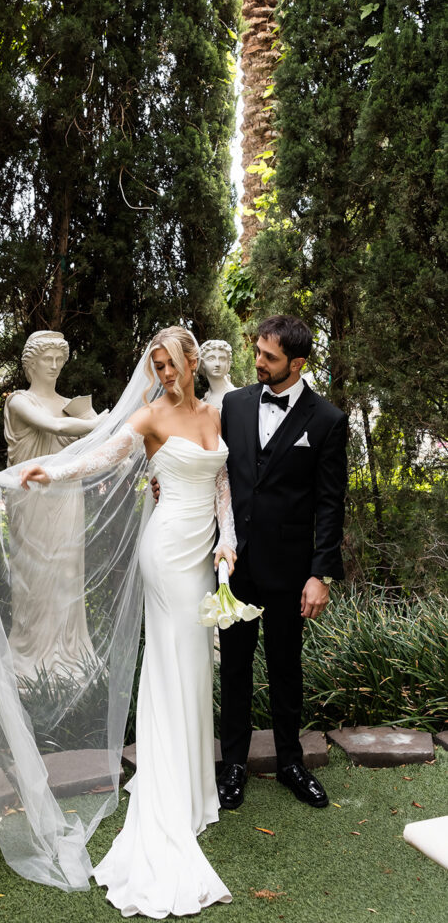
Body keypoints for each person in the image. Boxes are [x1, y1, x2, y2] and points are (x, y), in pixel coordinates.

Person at [20, 326, 235, 916]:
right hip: (165, 553)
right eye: (157, 366)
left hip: (201, 553)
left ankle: (194, 793)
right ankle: (171, 796)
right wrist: (50, 473)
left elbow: (222, 485)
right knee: (172, 659)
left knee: (194, 665)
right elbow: (100, 456)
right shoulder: (149, 416)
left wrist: (229, 545)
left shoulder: (216, 412)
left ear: (193, 361)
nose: (164, 375)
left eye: (171, 365)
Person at [215, 315, 347, 812]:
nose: (258, 362)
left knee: (286, 668)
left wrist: (320, 573)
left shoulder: (327, 421)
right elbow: (219, 473)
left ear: (298, 362)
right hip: (236, 564)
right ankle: (233, 766)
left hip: (292, 571)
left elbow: (331, 503)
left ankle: (291, 762)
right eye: (258, 352)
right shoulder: (235, 403)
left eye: (269, 357)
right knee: (235, 669)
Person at [3, 331, 103, 678]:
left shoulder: (69, 404)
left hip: (67, 496)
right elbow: (56, 425)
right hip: (31, 499)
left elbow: (84, 448)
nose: (56, 365)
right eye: (48, 359)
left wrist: (93, 427)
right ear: (31, 363)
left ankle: (69, 651)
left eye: (60, 359)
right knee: (35, 573)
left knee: (67, 570)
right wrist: (99, 423)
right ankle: (33, 656)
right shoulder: (20, 401)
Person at [198, 339, 236, 410]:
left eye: (222, 359)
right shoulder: (203, 403)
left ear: (228, 363)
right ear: (202, 363)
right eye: (211, 359)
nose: (217, 364)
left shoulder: (240, 395)